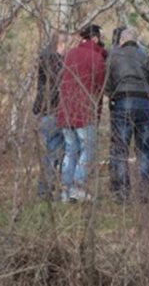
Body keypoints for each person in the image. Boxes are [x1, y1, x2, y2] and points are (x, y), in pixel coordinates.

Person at [105, 28, 149, 202]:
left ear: (121, 41)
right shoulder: (145, 56)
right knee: (145, 148)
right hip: (145, 102)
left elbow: (107, 81)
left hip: (123, 101)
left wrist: (112, 96)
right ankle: (143, 190)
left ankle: (122, 192)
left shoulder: (113, 55)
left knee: (120, 148)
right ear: (136, 41)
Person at [57, 24, 107, 202]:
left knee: (71, 151)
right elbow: (100, 89)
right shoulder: (97, 58)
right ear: (95, 38)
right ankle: (77, 186)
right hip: (84, 112)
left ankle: (65, 190)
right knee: (89, 149)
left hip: (65, 111)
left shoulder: (69, 54)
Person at [33, 31, 69, 200]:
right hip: (52, 110)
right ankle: (44, 190)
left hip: (46, 110)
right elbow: (58, 83)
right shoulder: (53, 61)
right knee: (53, 151)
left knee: (53, 151)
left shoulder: (46, 58)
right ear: (60, 45)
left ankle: (47, 188)